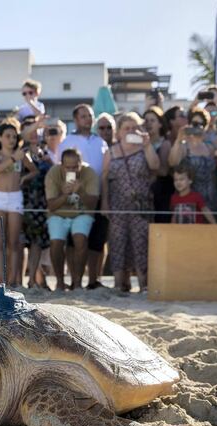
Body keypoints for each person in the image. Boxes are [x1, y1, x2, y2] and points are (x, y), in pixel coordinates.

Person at [101, 112, 160, 293]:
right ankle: (120, 284)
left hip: (141, 205)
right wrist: (105, 202)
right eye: (127, 128)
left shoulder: (144, 149)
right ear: (118, 132)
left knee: (141, 243)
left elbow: (155, 166)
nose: (131, 131)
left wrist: (147, 144)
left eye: (135, 127)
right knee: (118, 243)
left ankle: (144, 284)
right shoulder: (111, 152)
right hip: (117, 204)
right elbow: (104, 178)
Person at [59, 104, 110, 289]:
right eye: (83, 116)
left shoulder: (101, 142)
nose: (88, 119)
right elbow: (62, 169)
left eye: (90, 115)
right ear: (76, 119)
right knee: (74, 240)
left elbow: (104, 172)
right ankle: (75, 280)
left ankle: (94, 280)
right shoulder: (67, 141)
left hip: (97, 194)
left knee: (97, 239)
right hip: (75, 196)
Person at [0, 120, 37, 287]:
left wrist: (24, 177)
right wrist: (13, 158)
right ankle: (1, 281)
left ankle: (13, 280)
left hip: (15, 197)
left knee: (14, 241)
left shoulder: (21, 154)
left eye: (14, 136)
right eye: (7, 136)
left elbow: (34, 170)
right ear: (0, 137)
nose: (11, 139)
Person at [45, 149, 99, 290]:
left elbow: (93, 204)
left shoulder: (90, 173)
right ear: (62, 165)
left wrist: (80, 191)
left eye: (75, 167)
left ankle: (77, 282)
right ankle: (60, 282)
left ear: (81, 164)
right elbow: (51, 206)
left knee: (80, 239)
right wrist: (65, 194)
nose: (72, 170)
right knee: (56, 242)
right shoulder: (53, 173)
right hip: (58, 214)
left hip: (82, 213)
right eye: (68, 167)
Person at [168, 109, 217, 212]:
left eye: (201, 124)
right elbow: (172, 162)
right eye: (194, 123)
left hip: (210, 197)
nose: (198, 127)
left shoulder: (210, 147)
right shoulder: (184, 146)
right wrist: (179, 139)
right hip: (190, 199)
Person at [21, 123, 51, 289]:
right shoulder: (21, 152)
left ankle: (34, 278)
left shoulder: (45, 153)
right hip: (24, 201)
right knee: (26, 243)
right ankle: (32, 278)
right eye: (30, 131)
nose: (33, 134)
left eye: (36, 131)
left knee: (37, 243)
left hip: (42, 202)